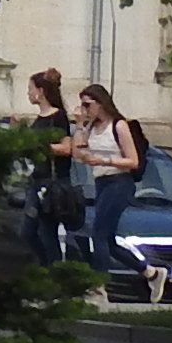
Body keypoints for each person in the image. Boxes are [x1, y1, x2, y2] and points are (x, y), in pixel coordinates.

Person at [68, 81, 147, 278]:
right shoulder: (91, 128)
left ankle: (99, 285)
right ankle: (149, 272)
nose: (85, 110)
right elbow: (78, 153)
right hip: (101, 182)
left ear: (100, 104)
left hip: (118, 181)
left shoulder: (118, 126)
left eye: (88, 105)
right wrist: (79, 124)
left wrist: (104, 160)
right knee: (108, 240)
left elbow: (133, 160)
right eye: (82, 105)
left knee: (99, 234)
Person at [25, 68, 85, 267]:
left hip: (52, 181)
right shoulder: (40, 118)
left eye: (30, 88)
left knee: (46, 232)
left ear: (41, 91)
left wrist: (40, 146)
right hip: (37, 179)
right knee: (28, 232)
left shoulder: (57, 117)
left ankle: (54, 271)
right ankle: (47, 268)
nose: (28, 93)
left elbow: (66, 147)